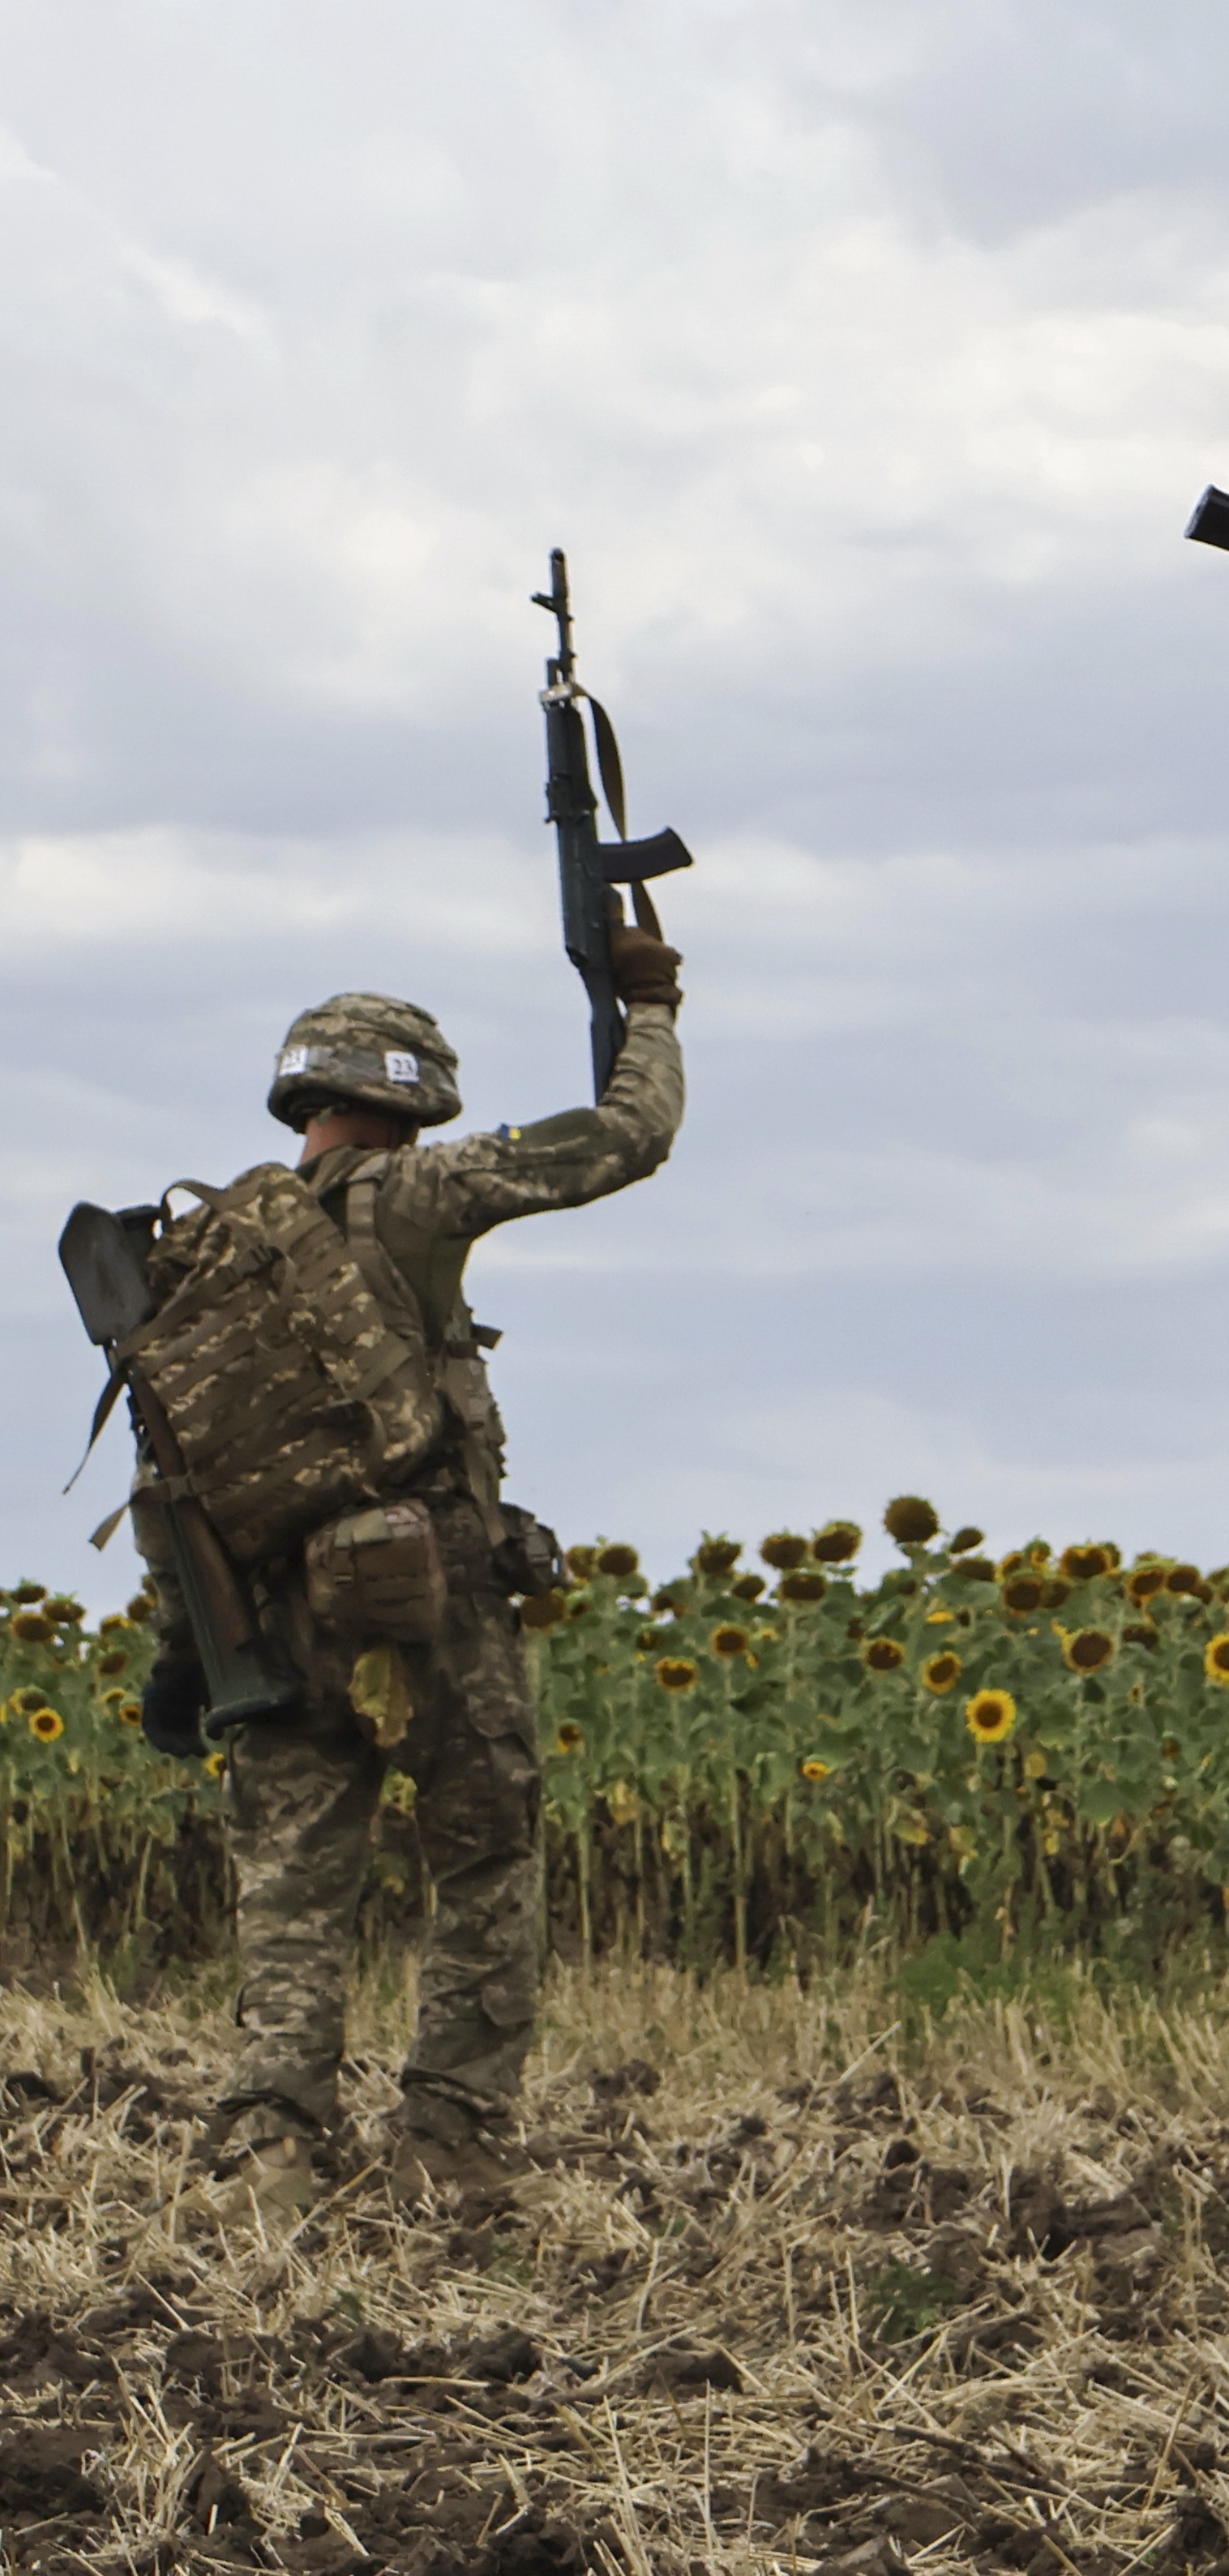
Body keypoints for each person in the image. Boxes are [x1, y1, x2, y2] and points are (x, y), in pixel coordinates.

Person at [186, 941, 683, 2220]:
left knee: (294, 1875)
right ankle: (449, 2137)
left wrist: (187, 1647)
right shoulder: (415, 1194)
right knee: (483, 1849)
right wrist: (650, 1007)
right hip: (431, 1595)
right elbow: (626, 1139)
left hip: (273, 1613)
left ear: (305, 1098)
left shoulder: (211, 1241)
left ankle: (269, 2152)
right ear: (412, 1095)